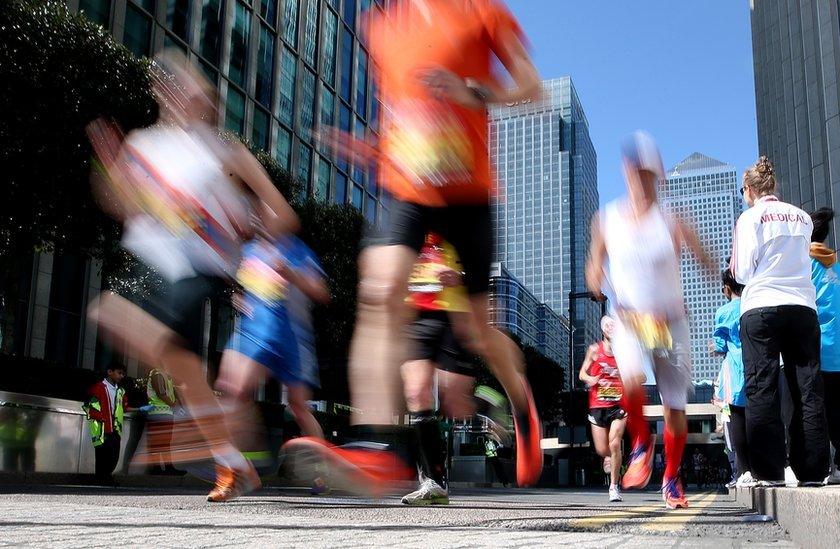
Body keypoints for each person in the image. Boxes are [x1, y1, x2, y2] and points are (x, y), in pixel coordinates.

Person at [317, 0, 545, 491]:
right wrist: (367, 149)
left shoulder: (483, 12)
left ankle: (521, 402)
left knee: (479, 333)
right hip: (410, 187)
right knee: (379, 291)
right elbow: (405, 117)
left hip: (468, 195)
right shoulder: (380, 27)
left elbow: (533, 88)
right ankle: (375, 441)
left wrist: (474, 92)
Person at [85, 51, 298, 501]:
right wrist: (111, 169)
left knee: (113, 316)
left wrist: (255, 229)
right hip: (151, 264)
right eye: (175, 85)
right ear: (162, 92)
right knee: (185, 372)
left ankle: (199, 437)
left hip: (198, 268)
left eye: (193, 87)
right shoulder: (144, 145)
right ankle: (233, 462)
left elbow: (283, 214)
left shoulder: (225, 149)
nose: (185, 94)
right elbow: (124, 204)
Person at [586, 131, 713, 509]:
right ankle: (641, 438)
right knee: (632, 380)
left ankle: (671, 478)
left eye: (650, 175)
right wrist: (594, 278)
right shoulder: (606, 218)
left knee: (675, 408)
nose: (644, 182)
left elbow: (704, 256)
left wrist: (711, 270)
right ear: (626, 172)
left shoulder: (672, 219)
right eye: (638, 173)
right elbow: (594, 263)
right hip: (628, 318)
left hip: (669, 322)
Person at [731, 155, 829, 487]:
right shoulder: (802, 217)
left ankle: (768, 471)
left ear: (749, 189)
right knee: (808, 387)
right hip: (802, 305)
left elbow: (742, 271)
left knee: (763, 388)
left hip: (762, 305)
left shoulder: (750, 218)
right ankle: (813, 469)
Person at [399, 233, 495, 505]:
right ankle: (433, 483)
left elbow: (481, 269)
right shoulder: (410, 225)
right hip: (417, 317)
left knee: (455, 403)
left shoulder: (459, 222)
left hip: (454, 316)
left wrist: (459, 274)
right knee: (417, 394)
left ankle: (490, 408)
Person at [216, 231, 331, 447]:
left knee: (298, 406)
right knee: (233, 390)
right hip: (257, 333)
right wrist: (238, 298)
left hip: (294, 338)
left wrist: (291, 273)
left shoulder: (296, 249)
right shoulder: (249, 250)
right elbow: (235, 284)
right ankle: (234, 459)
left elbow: (322, 293)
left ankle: (322, 466)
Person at [807, 208, 840, 485]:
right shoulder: (837, 266)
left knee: (819, 408)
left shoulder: (808, 264)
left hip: (819, 346)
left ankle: (826, 466)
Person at [579, 316, 627, 502]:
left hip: (619, 405)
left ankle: (614, 487)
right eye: (607, 325)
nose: (610, 327)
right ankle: (612, 457)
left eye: (614, 324)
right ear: (602, 329)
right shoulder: (594, 350)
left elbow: (638, 374)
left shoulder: (624, 352)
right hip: (598, 405)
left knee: (615, 443)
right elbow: (582, 372)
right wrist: (590, 379)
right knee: (602, 449)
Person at [712, 268, 750, 487]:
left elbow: (720, 345)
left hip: (734, 368)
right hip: (755, 364)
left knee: (736, 416)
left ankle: (743, 470)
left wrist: (715, 348)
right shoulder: (751, 302)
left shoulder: (724, 311)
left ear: (726, 288)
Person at [84, 365, 129, 484]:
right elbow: (89, 405)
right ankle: (102, 478)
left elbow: (124, 408)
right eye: (119, 373)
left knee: (114, 454)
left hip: (115, 427)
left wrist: (140, 409)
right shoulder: (98, 387)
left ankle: (105, 477)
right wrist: (99, 417)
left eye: (123, 374)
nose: (121, 376)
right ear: (110, 372)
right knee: (102, 453)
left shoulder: (121, 391)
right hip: (101, 426)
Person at [144, 368, 182, 475]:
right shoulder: (158, 373)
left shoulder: (166, 375)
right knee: (159, 442)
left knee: (163, 442)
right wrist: (174, 405)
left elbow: (170, 392)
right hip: (158, 413)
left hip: (165, 413)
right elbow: (161, 393)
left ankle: (164, 467)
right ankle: (160, 468)